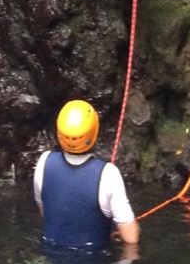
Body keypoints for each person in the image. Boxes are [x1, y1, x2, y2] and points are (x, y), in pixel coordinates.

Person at [34, 99, 140, 252]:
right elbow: (131, 238)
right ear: (94, 132)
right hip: (94, 262)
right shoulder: (108, 174)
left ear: (59, 133)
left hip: (51, 256)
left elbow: (45, 211)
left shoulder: (44, 162)